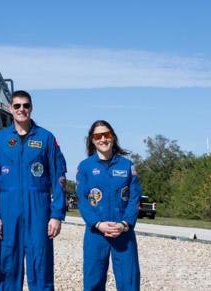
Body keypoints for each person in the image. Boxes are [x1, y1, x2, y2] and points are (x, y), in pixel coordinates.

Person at [0, 90, 67, 291]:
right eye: (17, 106)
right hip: (8, 210)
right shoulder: (0, 139)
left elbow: (59, 178)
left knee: (40, 262)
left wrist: (56, 214)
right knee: (8, 262)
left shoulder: (46, 138)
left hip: (38, 210)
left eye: (26, 105)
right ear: (11, 109)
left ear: (31, 108)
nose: (22, 109)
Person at [76, 120, 142, 291]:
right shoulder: (85, 167)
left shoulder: (127, 166)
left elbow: (134, 199)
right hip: (96, 233)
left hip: (123, 232)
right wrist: (98, 223)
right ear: (92, 140)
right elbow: (83, 201)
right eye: (98, 136)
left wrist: (124, 224)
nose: (103, 139)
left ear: (113, 137)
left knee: (129, 282)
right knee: (93, 282)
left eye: (107, 134)